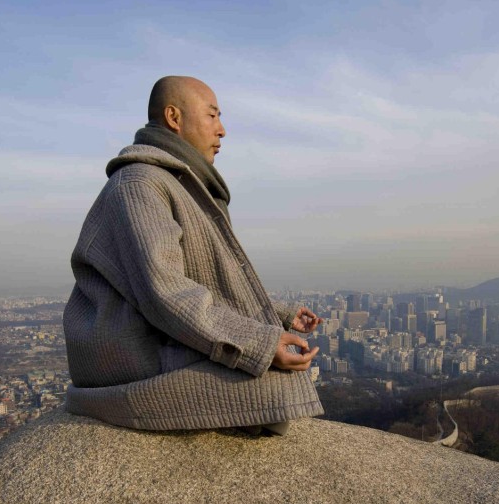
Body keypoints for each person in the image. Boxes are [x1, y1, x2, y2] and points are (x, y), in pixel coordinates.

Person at [63, 76, 324, 435]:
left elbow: (202, 277)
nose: (222, 130)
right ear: (174, 118)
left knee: (277, 385)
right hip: (130, 355)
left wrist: (280, 315)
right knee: (275, 387)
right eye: (213, 116)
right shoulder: (139, 185)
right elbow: (166, 291)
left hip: (156, 336)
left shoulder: (178, 184)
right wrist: (259, 343)